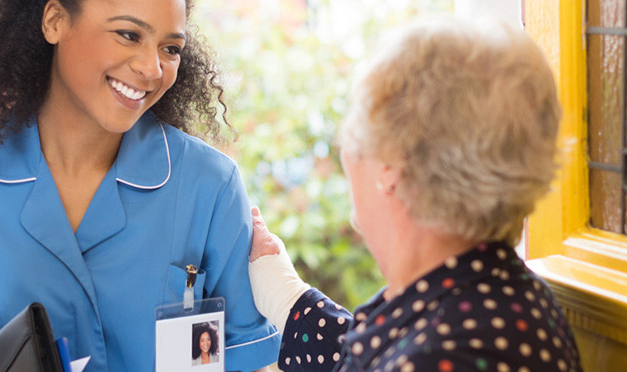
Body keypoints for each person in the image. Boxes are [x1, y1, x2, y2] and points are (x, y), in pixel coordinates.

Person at [0, 0, 280, 371]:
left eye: (170, 48)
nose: (152, 68)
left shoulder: (210, 187)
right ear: (54, 21)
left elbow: (249, 362)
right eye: (128, 34)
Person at [247, 16, 582, 372]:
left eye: (355, 124)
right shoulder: (499, 296)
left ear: (391, 163)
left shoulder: (443, 355)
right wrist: (290, 301)